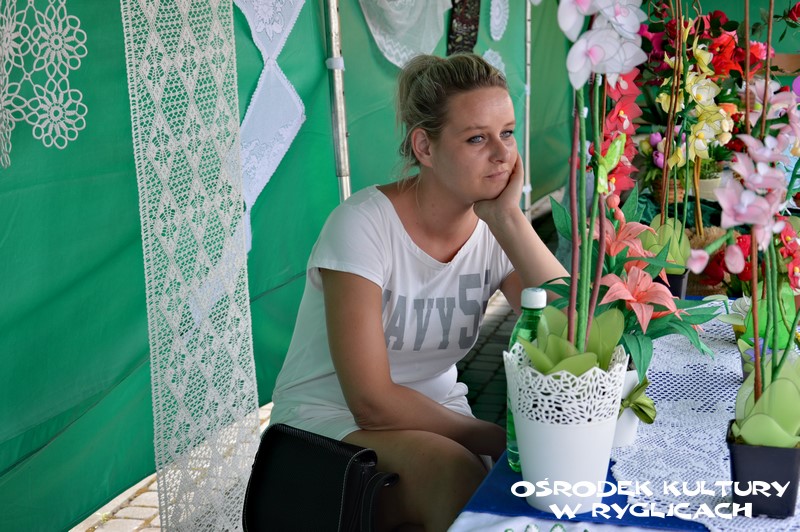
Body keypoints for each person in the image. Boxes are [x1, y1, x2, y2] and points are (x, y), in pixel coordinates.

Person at [269, 53, 568, 531]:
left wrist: (510, 219)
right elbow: (371, 402)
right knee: (458, 477)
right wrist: (499, 438)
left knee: (522, 493)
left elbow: (571, 335)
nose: (502, 154)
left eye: (508, 133)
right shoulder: (362, 225)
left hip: (439, 415)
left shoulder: (495, 227)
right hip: (329, 423)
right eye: (477, 138)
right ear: (425, 147)